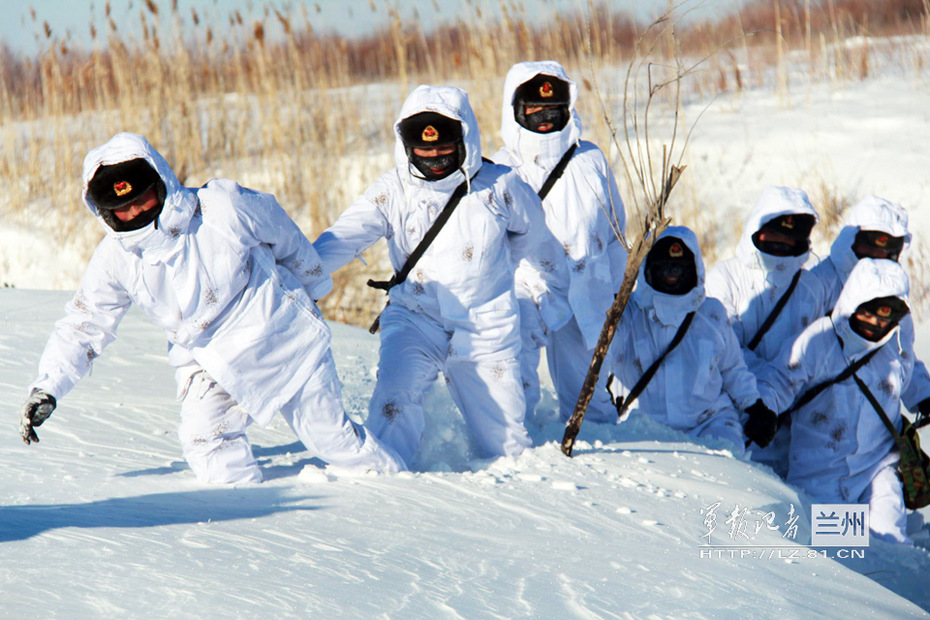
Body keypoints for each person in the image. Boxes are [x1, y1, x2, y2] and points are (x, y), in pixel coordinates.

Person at [19, 132, 404, 484]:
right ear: (103, 212)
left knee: (331, 439)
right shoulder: (115, 259)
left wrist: (310, 285)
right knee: (205, 442)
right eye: (123, 208)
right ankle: (246, 526)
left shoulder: (222, 206)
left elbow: (283, 235)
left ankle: (397, 484)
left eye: (143, 200)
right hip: (207, 360)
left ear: (162, 183)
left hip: (280, 336)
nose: (135, 213)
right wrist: (49, 386)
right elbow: (86, 323)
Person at [314, 85, 567, 467]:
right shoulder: (392, 190)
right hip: (415, 319)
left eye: (444, 148)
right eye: (424, 149)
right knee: (391, 410)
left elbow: (531, 231)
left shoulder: (501, 185)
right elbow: (342, 239)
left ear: (464, 139)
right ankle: (387, 493)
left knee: (507, 451)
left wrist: (495, 270)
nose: (434, 156)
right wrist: (294, 275)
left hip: (487, 328)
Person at [492, 60, 627, 424]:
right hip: (525, 288)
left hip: (584, 292)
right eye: (533, 108)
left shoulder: (591, 158)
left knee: (590, 401)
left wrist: (615, 292)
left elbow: (616, 232)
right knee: (515, 378)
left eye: (552, 107)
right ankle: (515, 449)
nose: (544, 116)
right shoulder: (500, 170)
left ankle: (602, 460)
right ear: (516, 109)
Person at [757, 259, 919, 544]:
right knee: (843, 552)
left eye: (886, 319)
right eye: (869, 314)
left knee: (891, 545)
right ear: (853, 303)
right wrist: (765, 409)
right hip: (821, 474)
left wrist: (925, 397)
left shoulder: (895, 346)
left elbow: (911, 371)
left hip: (878, 467)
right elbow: (781, 378)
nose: (877, 325)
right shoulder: (819, 340)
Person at [605, 227, 773, 454]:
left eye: (679, 269)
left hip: (709, 425)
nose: (671, 275)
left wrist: (753, 406)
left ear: (695, 269)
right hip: (643, 428)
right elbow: (601, 361)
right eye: (665, 268)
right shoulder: (627, 313)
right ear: (649, 269)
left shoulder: (712, 313)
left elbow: (732, 368)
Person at [705, 186, 824, 474]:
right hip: (736, 424)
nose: (783, 245)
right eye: (775, 236)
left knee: (809, 517)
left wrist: (774, 401)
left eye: (791, 239)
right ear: (757, 231)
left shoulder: (811, 289)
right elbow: (723, 353)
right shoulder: (724, 277)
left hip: (794, 432)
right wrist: (760, 402)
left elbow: (809, 360)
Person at [808, 195, 930, 419]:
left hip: (875, 421)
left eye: (886, 253)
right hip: (821, 417)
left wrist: (923, 395)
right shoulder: (818, 283)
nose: (877, 258)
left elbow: (900, 353)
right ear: (851, 241)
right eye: (870, 249)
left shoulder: (891, 291)